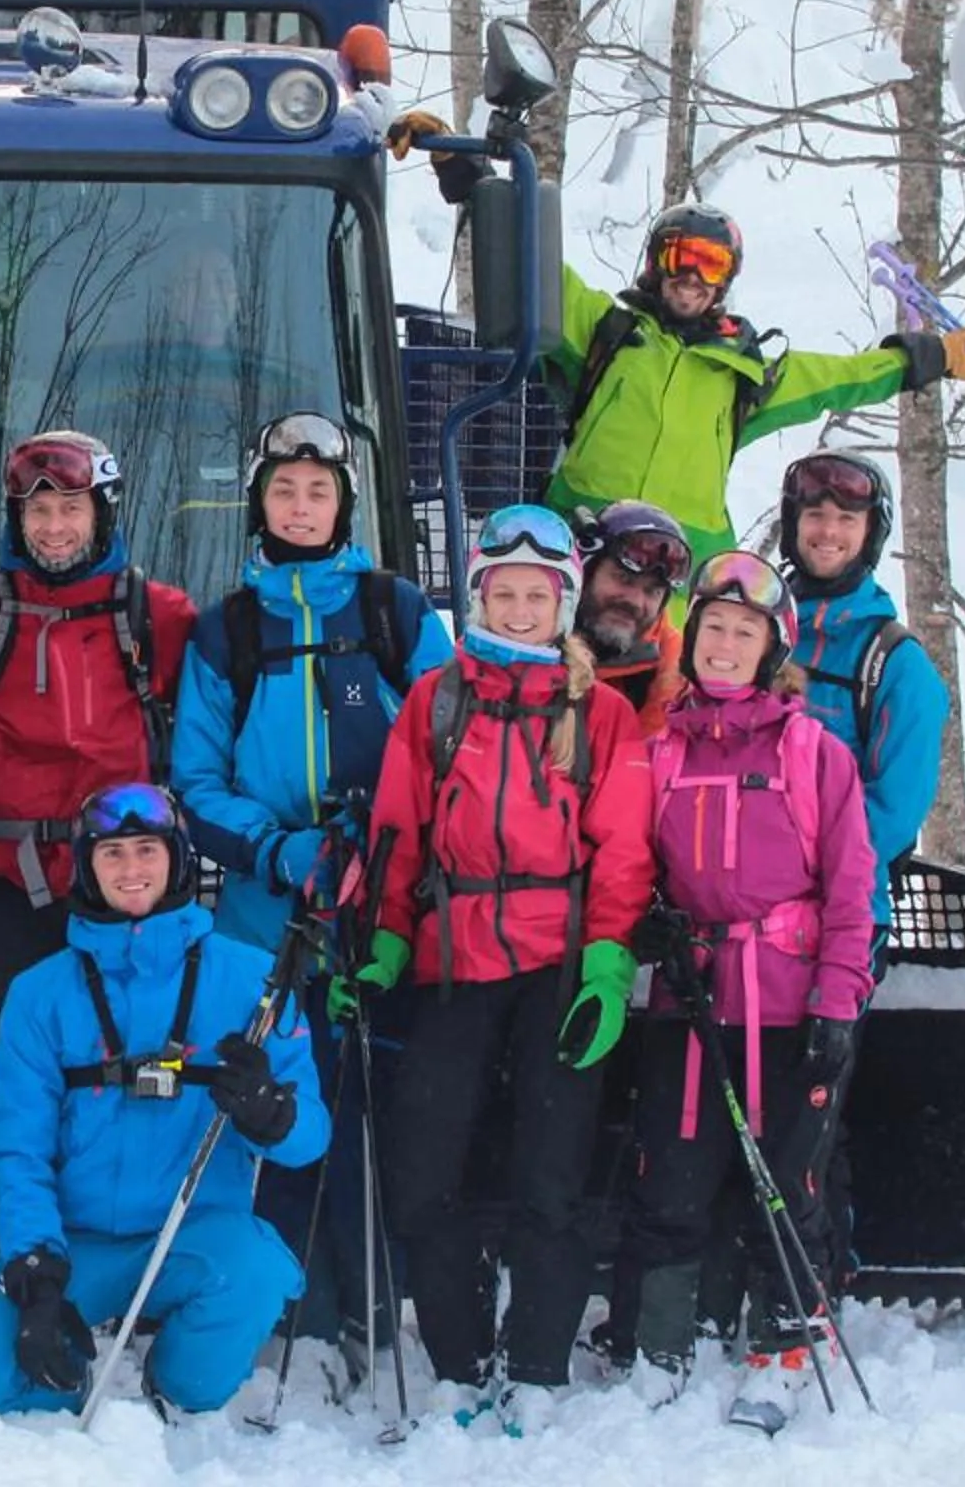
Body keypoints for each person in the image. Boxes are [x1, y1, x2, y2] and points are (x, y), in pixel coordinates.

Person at [338, 504, 652, 1418]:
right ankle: (460, 1362)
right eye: (503, 593)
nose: (519, 610)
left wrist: (606, 967)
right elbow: (399, 833)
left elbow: (624, 852)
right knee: (425, 1166)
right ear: (478, 596)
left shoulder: (602, 714)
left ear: (562, 601)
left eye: (537, 594)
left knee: (550, 1175)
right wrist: (386, 941)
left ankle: (541, 1366)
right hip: (455, 960)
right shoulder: (438, 701)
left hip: (557, 963)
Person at [170, 409, 449, 1364]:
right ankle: (297, 1309)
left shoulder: (390, 611)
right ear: (259, 500)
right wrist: (281, 852)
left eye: (317, 491)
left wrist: (386, 841)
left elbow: (450, 743)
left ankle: (380, 1296)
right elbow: (196, 782)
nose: (299, 506)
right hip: (267, 910)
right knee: (281, 1101)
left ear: (345, 503)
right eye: (283, 490)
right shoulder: (229, 629)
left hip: (382, 903)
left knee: (379, 1104)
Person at [0, 784, 327, 1418]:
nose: (131, 869)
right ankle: (66, 1366)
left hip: (192, 1235)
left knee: (254, 1275)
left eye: (147, 851)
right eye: (112, 854)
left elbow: (311, 1139)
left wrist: (275, 1114)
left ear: (179, 860)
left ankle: (173, 1379)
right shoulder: (39, 994)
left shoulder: (251, 981)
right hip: (74, 1242)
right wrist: (35, 1266)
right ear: (87, 867)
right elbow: (18, 1150)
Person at [0, 431, 196, 1235]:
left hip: (124, 879)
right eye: (39, 512)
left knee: (125, 1059)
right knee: (6, 1065)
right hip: (6, 878)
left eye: (72, 509)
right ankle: (3, 1237)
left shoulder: (157, 616)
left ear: (103, 514)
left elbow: (210, 725)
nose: (56, 529)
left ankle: (118, 1233)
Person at [623, 550, 874, 1436]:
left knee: (788, 1180)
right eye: (712, 631)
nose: (724, 648)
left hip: (788, 995)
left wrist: (838, 1003)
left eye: (745, 634)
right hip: (691, 995)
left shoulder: (813, 752)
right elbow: (633, 868)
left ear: (772, 652)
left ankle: (784, 1345)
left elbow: (850, 889)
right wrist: (645, 927)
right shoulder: (660, 749)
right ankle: (663, 1338)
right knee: (672, 1175)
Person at [528, 199, 965, 566]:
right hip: (584, 541)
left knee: (669, 690)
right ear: (657, 263)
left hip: (680, 564)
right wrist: (477, 176)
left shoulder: (745, 375)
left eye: (712, 264)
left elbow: (838, 379)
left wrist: (938, 356)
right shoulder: (608, 332)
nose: (694, 277)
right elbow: (534, 262)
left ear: (726, 280)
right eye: (683, 258)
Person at [776, 451, 948, 928]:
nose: (828, 532)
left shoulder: (895, 665)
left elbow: (892, 812)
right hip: (736, 908)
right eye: (814, 515)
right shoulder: (754, 635)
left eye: (847, 520)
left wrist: (786, 864)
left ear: (871, 533)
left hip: (836, 917)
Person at [574, 499, 692, 732]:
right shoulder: (530, 630)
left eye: (652, 591)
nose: (635, 601)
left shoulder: (673, 673)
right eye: (623, 579)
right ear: (585, 571)